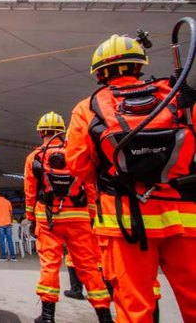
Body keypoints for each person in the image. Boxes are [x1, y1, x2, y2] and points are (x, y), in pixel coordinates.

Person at [66, 33, 196, 322]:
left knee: (135, 307)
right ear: (140, 65)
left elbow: (78, 166)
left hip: (125, 221)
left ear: (99, 72)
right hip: (185, 217)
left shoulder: (87, 108)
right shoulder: (177, 97)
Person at [24, 111, 112, 323]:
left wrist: (31, 219)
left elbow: (30, 191)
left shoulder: (34, 157)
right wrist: (91, 216)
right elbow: (90, 186)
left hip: (48, 219)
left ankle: (47, 317)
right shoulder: (76, 153)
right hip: (79, 218)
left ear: (41, 132)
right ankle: (105, 316)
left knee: (49, 266)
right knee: (89, 267)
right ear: (62, 132)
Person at [0, 190, 18, 262]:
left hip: (0, 224)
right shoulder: (8, 202)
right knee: (10, 239)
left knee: (2, 240)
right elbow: (11, 213)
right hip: (8, 223)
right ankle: (13, 256)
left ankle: (3, 256)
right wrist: (10, 221)